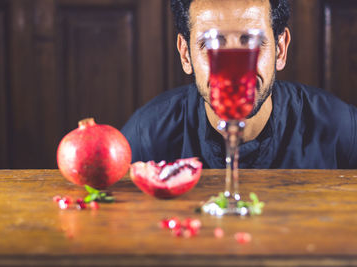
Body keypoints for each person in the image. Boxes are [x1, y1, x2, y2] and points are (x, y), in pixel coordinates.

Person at [121, 0, 357, 168]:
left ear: (280, 48)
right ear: (185, 55)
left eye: (251, 41)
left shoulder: (342, 128)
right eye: (212, 44)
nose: (233, 70)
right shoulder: (147, 136)